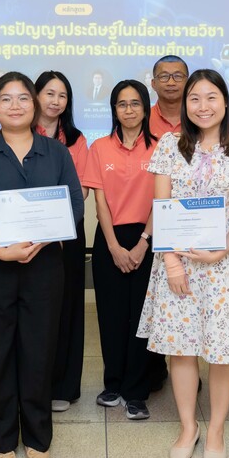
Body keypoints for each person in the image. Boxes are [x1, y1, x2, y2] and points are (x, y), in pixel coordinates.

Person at [138, 69, 229, 458]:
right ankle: (187, 427)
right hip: (177, 266)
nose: (203, 106)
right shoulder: (169, 145)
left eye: (211, 97)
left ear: (225, 101)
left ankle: (216, 431)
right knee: (181, 350)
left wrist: (220, 251)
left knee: (222, 352)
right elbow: (162, 208)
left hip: (224, 268)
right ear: (185, 104)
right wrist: (172, 263)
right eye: (194, 98)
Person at [0, 72, 84, 458]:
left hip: (44, 265)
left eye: (23, 98)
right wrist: (2, 250)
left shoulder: (56, 153)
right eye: (6, 99)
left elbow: (74, 205)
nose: (15, 106)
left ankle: (36, 434)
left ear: (35, 105)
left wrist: (42, 241)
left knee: (38, 350)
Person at [86, 80, 159, 420]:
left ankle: (136, 391)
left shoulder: (161, 147)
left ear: (145, 108)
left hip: (148, 236)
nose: (129, 110)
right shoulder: (99, 147)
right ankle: (113, 384)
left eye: (135, 103)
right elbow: (100, 202)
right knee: (112, 315)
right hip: (109, 238)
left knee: (142, 316)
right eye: (121, 104)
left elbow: (162, 200)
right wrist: (114, 246)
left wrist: (143, 242)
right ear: (114, 109)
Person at [34, 71, 90, 413]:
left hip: (67, 232)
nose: (55, 101)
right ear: (36, 95)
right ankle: (34, 383)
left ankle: (64, 386)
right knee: (36, 308)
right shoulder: (20, 133)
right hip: (28, 232)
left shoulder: (76, 139)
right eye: (49, 93)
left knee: (67, 306)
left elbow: (80, 189)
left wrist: (56, 220)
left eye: (62, 95)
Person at [148, 55, 189, 138]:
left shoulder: (199, 117)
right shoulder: (142, 119)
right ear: (153, 84)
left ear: (188, 83)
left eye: (178, 76)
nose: (171, 83)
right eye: (164, 76)